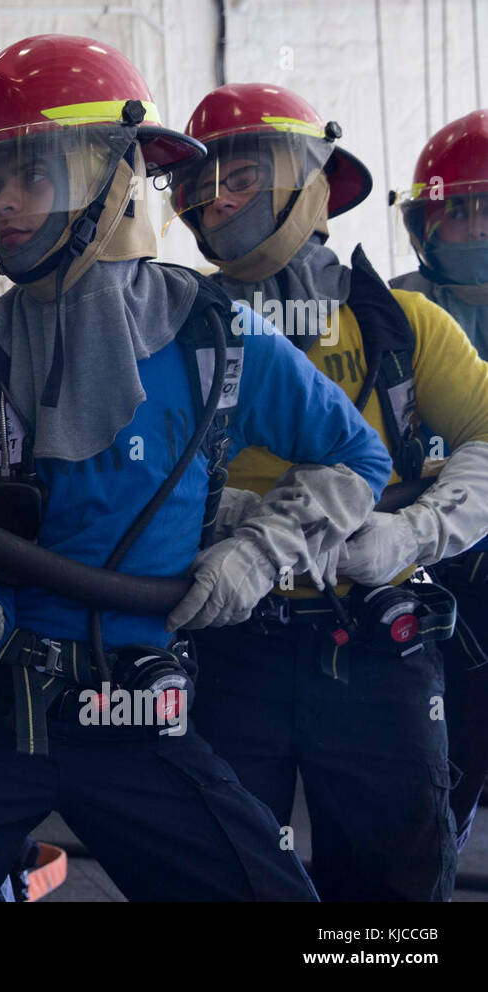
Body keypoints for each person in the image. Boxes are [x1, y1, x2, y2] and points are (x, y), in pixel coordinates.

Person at [0, 34, 393, 902]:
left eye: (32, 174)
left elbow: (358, 456)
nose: (3, 203)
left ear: (117, 176)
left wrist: (257, 554)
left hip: (138, 706)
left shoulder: (218, 340)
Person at [169, 85, 488, 900]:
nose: (218, 199)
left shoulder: (401, 324)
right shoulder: (164, 330)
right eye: (202, 181)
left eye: (243, 174)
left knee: (396, 890)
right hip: (227, 639)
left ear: (314, 178)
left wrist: (416, 534)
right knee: (224, 872)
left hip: (381, 639)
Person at [390, 109, 488, 851]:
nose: (478, 226)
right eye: (460, 208)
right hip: (425, 575)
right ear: (428, 220)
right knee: (427, 785)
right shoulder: (392, 312)